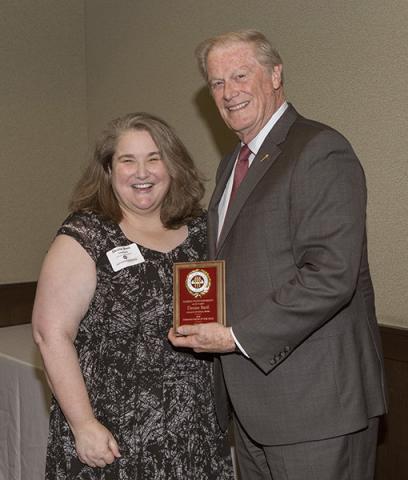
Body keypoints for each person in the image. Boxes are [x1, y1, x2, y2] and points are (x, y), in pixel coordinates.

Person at [168, 30, 387, 480]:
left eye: (240, 75)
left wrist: (234, 337)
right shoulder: (234, 164)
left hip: (316, 407)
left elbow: (330, 274)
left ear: (275, 74)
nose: (229, 93)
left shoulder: (319, 149)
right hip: (254, 406)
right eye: (216, 83)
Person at [32, 112, 233, 479]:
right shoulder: (87, 234)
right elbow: (51, 333)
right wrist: (83, 425)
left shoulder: (204, 233)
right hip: (111, 435)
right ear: (109, 171)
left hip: (193, 432)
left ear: (173, 167)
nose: (142, 172)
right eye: (128, 160)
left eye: (154, 158)